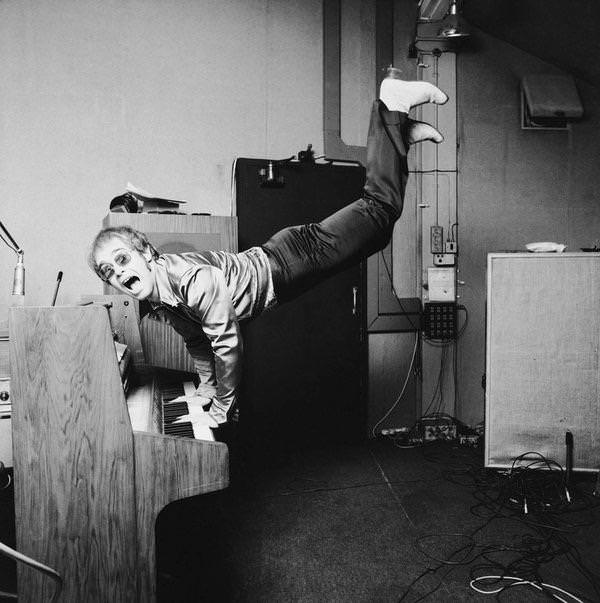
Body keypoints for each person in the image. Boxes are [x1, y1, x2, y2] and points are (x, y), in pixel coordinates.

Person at [88, 74, 447, 435]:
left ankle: (390, 106)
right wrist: (207, 389)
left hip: (290, 259)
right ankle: (399, 133)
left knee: (380, 211)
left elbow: (226, 343)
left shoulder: (188, 281)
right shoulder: (160, 300)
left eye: (122, 259)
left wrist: (224, 406)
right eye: (108, 273)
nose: (118, 274)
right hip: (284, 268)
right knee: (376, 237)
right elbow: (197, 340)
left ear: (147, 253)